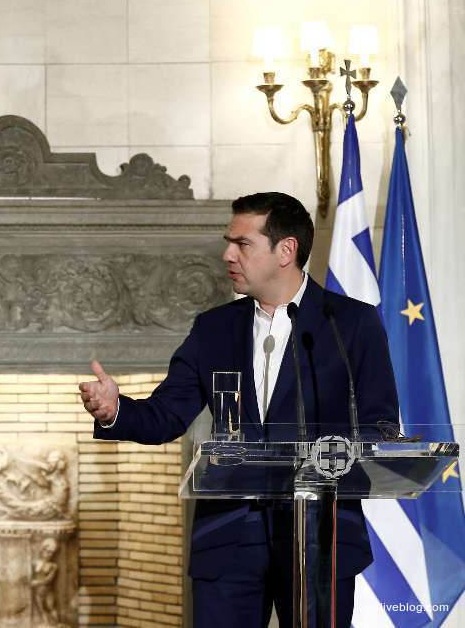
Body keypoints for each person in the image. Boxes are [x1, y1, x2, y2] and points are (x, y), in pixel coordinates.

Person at [79, 192, 398, 628]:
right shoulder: (214, 328)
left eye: (242, 244)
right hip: (227, 537)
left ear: (286, 250)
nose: (228, 254)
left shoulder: (351, 324)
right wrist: (115, 410)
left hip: (320, 534)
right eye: (229, 242)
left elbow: (381, 425)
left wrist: (328, 461)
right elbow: (167, 415)